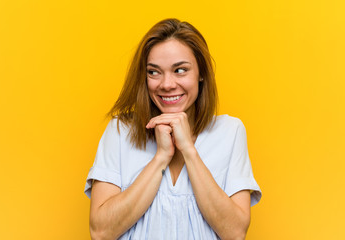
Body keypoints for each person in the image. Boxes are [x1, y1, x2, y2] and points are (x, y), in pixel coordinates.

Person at [84, 18, 261, 240]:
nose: (166, 84)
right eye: (154, 72)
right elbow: (101, 232)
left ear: (201, 74)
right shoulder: (120, 131)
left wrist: (188, 150)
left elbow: (235, 233)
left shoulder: (230, 132)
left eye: (180, 70)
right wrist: (161, 156)